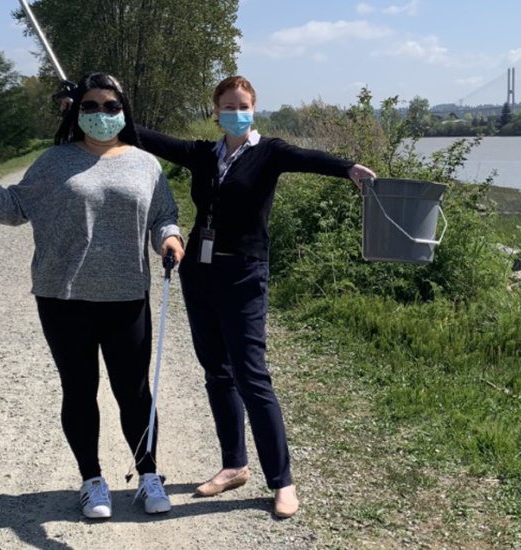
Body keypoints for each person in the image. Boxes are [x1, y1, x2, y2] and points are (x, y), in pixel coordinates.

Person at [135, 75, 376, 519]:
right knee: (216, 370)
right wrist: (100, 108)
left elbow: (309, 158)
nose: (235, 111)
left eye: (242, 104)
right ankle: (234, 465)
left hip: (244, 272)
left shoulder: (270, 152)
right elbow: (149, 138)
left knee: (251, 373)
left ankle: (282, 481)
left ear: (254, 108)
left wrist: (348, 168)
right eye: (227, 105)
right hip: (199, 271)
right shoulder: (204, 154)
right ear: (216, 111)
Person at [0, 72, 185, 520]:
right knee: (79, 390)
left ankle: (148, 473)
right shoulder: (54, 163)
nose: (100, 114)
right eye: (91, 106)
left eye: (110, 107)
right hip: (63, 295)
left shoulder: (144, 163)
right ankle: (92, 480)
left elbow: (164, 214)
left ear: (124, 112)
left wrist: (169, 238)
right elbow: (14, 209)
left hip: (126, 295)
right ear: (77, 112)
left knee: (134, 392)